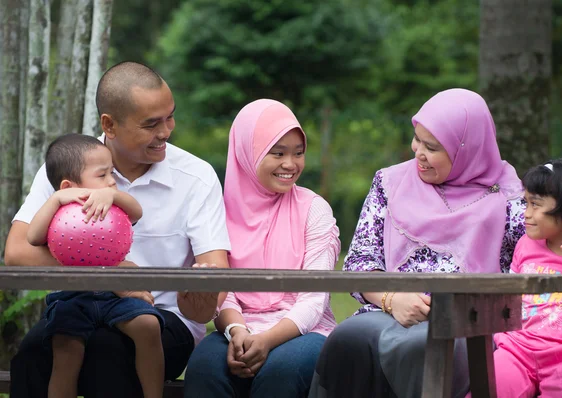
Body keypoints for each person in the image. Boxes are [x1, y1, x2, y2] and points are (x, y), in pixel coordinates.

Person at [308, 88, 562, 398]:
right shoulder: (389, 183)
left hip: (469, 323)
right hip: (386, 310)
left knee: (422, 346)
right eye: (416, 139)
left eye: (431, 147)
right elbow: (360, 261)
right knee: (349, 337)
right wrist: (392, 299)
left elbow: (555, 223)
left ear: (467, 148)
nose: (417, 152)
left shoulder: (510, 197)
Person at [4, 61, 231, 398]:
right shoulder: (71, 163)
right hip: (78, 302)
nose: (166, 131)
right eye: (151, 124)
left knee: (109, 353)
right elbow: (17, 251)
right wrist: (111, 274)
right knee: (35, 355)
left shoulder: (196, 177)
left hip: (163, 317)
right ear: (109, 124)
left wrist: (195, 294)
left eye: (169, 116)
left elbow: (216, 279)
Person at [183, 99, 341, 398]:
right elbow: (222, 290)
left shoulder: (314, 210)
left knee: (280, 372)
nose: (290, 164)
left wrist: (266, 340)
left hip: (303, 329)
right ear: (247, 153)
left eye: (298, 153)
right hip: (236, 328)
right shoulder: (218, 212)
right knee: (204, 369)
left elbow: (314, 298)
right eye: (277, 153)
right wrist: (237, 331)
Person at [26, 133, 165, 398]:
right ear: (68, 186)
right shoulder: (59, 209)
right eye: (103, 175)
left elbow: (136, 211)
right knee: (66, 351)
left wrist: (110, 195)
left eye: (111, 172)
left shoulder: (112, 201)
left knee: (149, 326)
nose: (112, 180)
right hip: (73, 295)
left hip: (117, 292)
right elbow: (33, 237)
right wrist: (57, 199)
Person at [483, 158, 562, 397]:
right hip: (516, 349)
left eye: (535, 204)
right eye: (526, 202)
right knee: (489, 388)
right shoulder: (526, 244)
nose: (525, 214)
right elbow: (510, 295)